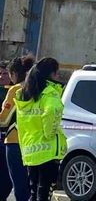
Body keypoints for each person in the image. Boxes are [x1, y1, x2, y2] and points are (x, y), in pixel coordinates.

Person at [15, 58, 67, 201]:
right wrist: (50, 133)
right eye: (57, 74)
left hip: (31, 150)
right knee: (44, 193)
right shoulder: (50, 92)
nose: (58, 77)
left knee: (33, 192)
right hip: (48, 151)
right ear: (51, 74)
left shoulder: (26, 94)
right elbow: (52, 110)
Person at [1, 56, 35, 201]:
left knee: (18, 188)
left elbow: (3, 120)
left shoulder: (16, 90)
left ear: (14, 73)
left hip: (15, 142)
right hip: (33, 143)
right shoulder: (39, 89)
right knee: (28, 187)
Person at [0, 62, 12, 201]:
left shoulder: (13, 92)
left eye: (4, 74)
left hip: (7, 140)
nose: (1, 76)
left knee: (6, 178)